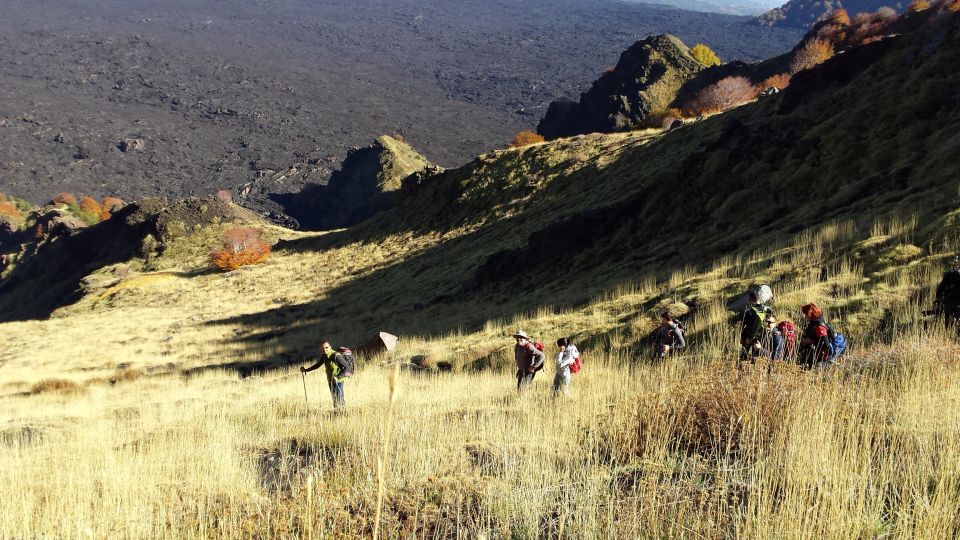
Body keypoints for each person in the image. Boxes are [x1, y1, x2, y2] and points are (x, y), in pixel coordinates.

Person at [301, 341, 351, 410]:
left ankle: (343, 413)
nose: (325, 349)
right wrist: (306, 370)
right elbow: (318, 365)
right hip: (331, 381)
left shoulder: (336, 355)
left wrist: (337, 377)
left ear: (330, 347)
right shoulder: (324, 356)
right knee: (334, 399)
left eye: (326, 347)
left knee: (339, 398)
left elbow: (347, 368)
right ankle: (337, 414)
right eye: (323, 348)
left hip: (338, 381)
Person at [798, 303, 843, 369]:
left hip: (830, 351)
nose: (804, 316)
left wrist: (811, 342)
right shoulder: (814, 322)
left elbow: (826, 345)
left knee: (818, 367)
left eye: (805, 314)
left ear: (809, 313)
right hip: (821, 349)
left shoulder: (819, 327)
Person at [740, 290, 774, 363]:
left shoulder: (749, 311)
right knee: (755, 358)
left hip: (749, 337)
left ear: (750, 300)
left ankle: (740, 372)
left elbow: (743, 326)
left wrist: (744, 338)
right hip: (763, 336)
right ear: (759, 298)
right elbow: (773, 322)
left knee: (742, 357)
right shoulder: (768, 309)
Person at [934, 258, 960, 332]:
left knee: (948, 320)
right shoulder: (950, 274)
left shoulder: (949, 273)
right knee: (954, 320)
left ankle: (948, 333)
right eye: (957, 265)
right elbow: (941, 287)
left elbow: (941, 288)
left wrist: (938, 299)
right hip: (953, 301)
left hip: (949, 300)